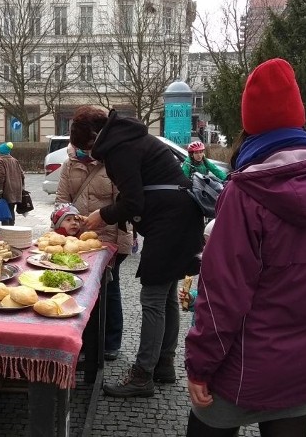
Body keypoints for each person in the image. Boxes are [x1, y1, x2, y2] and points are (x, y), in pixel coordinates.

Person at [182, 58, 306, 437]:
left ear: (250, 124)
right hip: (302, 364)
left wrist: (200, 364)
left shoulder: (245, 194)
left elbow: (220, 296)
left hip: (242, 367)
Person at [82, 109, 204, 398]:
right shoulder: (131, 137)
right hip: (183, 217)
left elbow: (134, 202)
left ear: (93, 138)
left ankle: (142, 375)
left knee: (151, 298)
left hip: (170, 223)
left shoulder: (118, 148)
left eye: (86, 148)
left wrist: (102, 214)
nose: (90, 154)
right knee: (166, 294)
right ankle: (163, 364)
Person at [57, 105, 132, 361]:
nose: (87, 150)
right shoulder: (70, 164)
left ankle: (110, 342)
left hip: (109, 236)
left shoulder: (115, 160)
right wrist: (66, 220)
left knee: (109, 290)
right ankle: (85, 340)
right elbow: (61, 200)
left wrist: (103, 224)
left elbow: (125, 204)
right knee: (79, 290)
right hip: (76, 241)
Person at [0, 142, 25, 226]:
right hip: (16, 190)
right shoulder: (14, 160)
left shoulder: (0, 161)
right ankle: (11, 227)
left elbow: (0, 177)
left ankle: (6, 228)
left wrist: (0, 190)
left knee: (4, 208)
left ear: (0, 152)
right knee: (11, 208)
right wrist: (21, 187)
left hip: (6, 189)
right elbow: (22, 175)